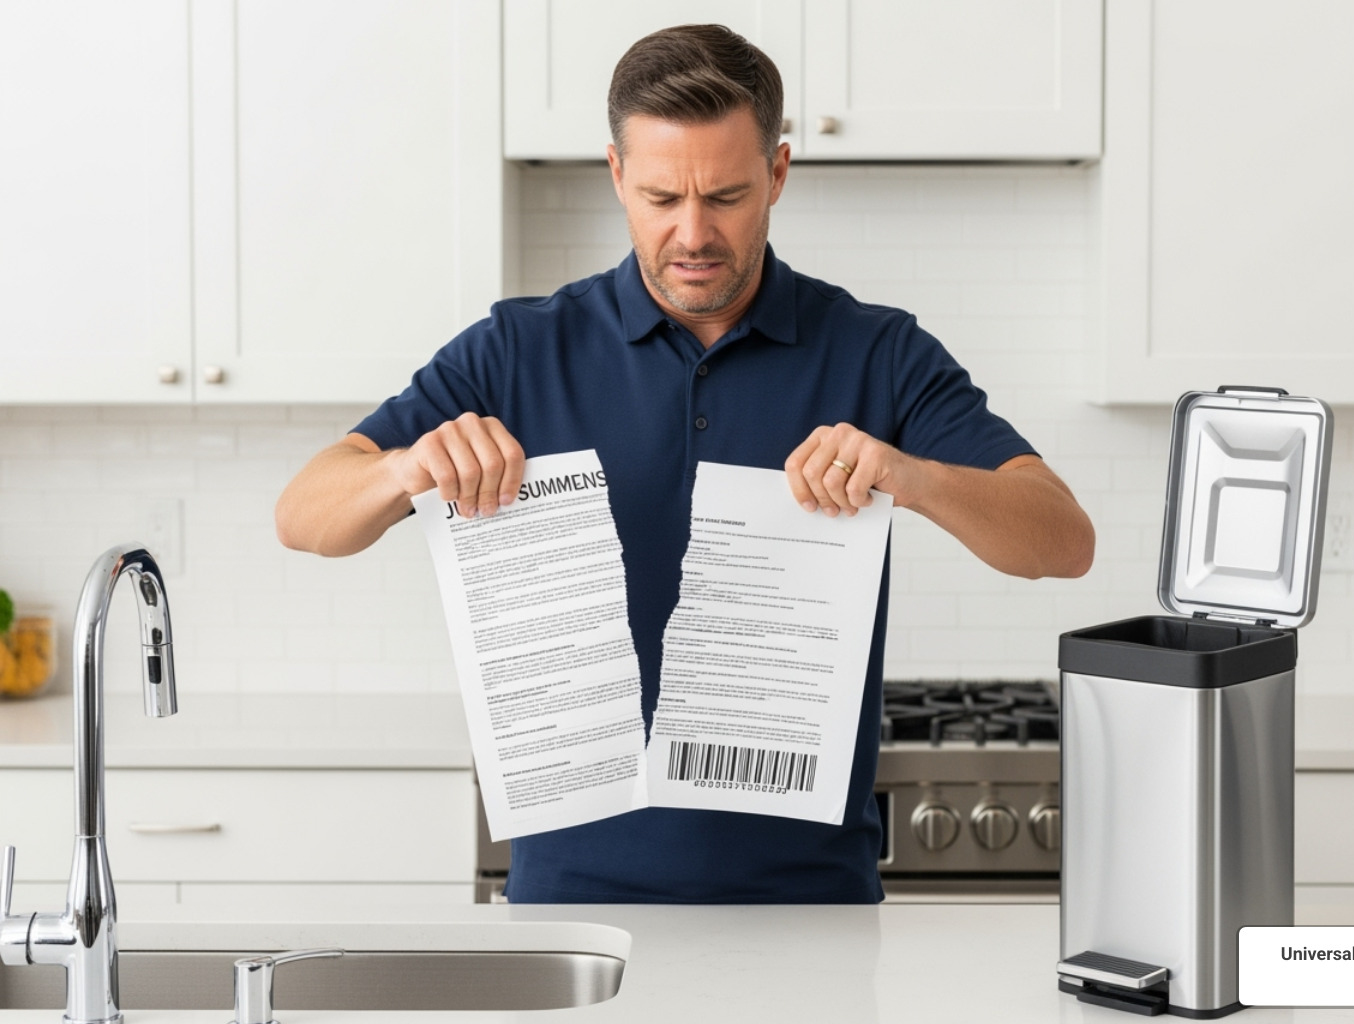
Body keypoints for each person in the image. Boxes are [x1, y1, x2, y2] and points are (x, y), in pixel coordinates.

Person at [275, 24, 1094, 903]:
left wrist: (912, 476)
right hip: (571, 904)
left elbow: (1062, 540)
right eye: (662, 197)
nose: (693, 233)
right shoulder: (519, 350)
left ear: (778, 174)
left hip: (812, 906)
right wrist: (404, 469)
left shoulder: (875, 353)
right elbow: (305, 516)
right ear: (618, 175)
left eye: (728, 196)